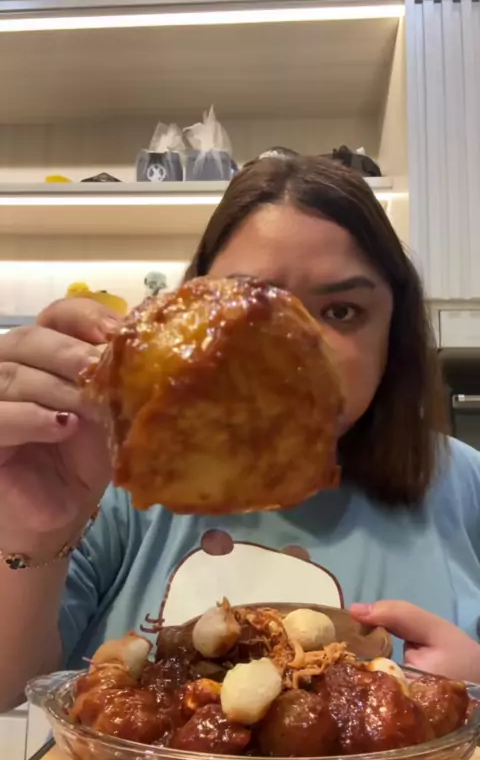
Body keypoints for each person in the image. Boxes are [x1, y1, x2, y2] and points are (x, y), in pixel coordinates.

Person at [1, 155, 480, 714]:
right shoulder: (106, 479)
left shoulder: (463, 484)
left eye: (342, 311)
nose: (299, 351)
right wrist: (29, 530)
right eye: (251, 309)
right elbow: (11, 690)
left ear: (392, 333)